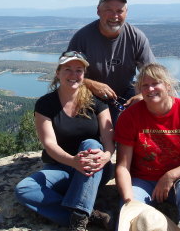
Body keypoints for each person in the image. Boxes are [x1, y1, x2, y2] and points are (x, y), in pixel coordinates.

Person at [14, 51, 115, 231]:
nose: (73, 75)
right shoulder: (46, 104)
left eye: (78, 70)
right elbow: (49, 144)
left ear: (84, 75)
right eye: (68, 69)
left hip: (95, 169)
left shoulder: (96, 101)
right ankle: (85, 214)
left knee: (91, 144)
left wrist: (106, 156)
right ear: (58, 72)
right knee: (24, 189)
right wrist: (72, 161)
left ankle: (77, 220)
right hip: (61, 167)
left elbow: (109, 140)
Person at [114, 63, 180, 231]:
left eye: (155, 83)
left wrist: (170, 175)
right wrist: (130, 203)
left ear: (167, 85)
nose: (150, 89)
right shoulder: (130, 117)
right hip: (143, 180)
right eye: (145, 85)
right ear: (139, 90)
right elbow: (123, 166)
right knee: (128, 216)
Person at [67, 0, 156, 124]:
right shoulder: (82, 38)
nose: (114, 16)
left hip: (125, 97)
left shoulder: (136, 37)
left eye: (120, 11)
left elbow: (154, 74)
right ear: (98, 11)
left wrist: (142, 95)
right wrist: (91, 84)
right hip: (89, 96)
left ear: (126, 13)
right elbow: (65, 75)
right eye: (108, 10)